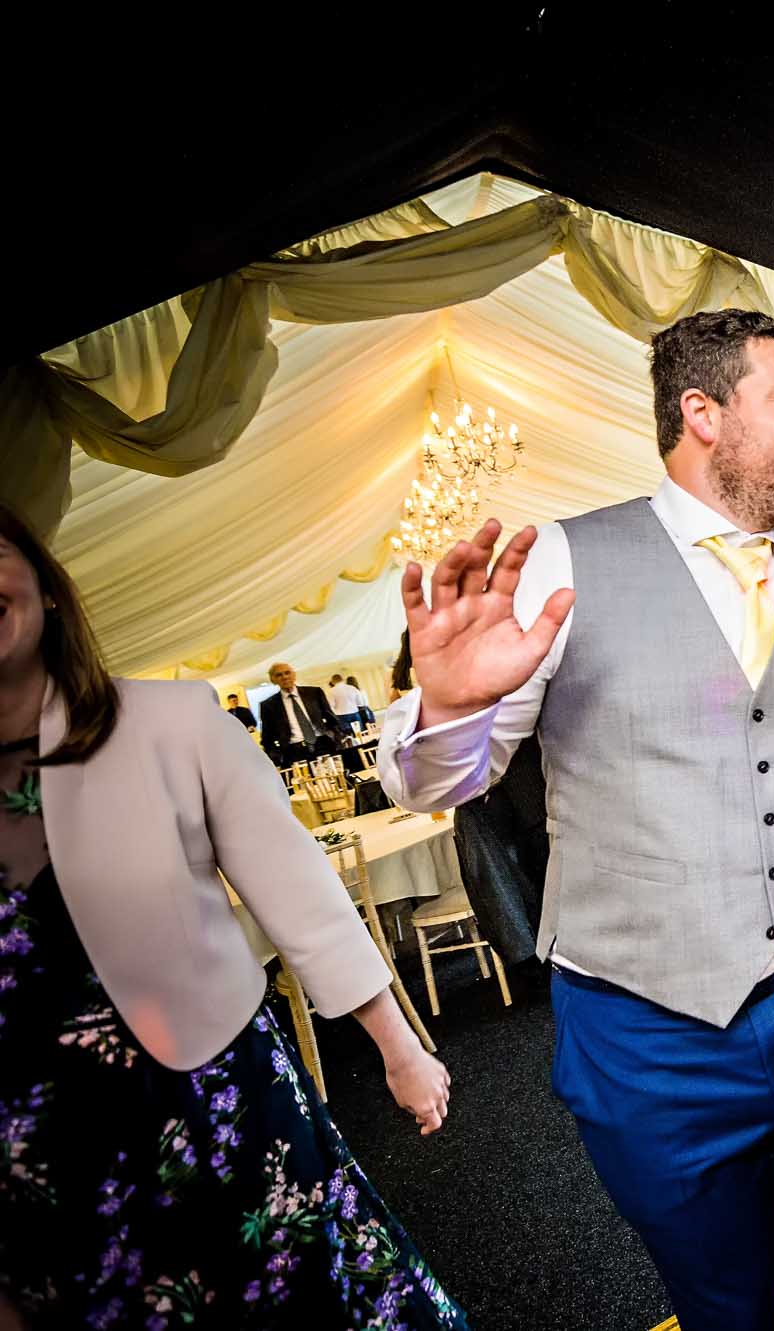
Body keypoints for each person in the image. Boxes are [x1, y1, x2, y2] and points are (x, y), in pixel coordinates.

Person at [377, 309, 774, 1330]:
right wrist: (447, 706)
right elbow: (438, 785)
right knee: (726, 1303)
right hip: (647, 1028)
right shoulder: (567, 560)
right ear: (701, 412)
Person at [0, 504, 464, 1329]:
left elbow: (303, 898)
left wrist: (401, 1051)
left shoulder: (170, 724)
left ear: (47, 583)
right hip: (37, 1182)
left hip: (219, 1117)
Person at [257, 662, 343, 766]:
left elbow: (332, 719)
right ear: (273, 680)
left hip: (323, 744)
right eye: (279, 675)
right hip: (294, 753)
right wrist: (277, 757)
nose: (284, 677)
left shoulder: (314, 693)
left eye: (287, 673)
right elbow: (267, 737)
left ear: (294, 675)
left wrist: (337, 739)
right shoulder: (268, 706)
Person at [326, 671, 367, 735]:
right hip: (354, 714)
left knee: (348, 735)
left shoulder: (331, 691)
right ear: (342, 680)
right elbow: (360, 702)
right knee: (359, 734)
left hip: (341, 716)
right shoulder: (352, 688)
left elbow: (331, 705)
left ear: (333, 682)